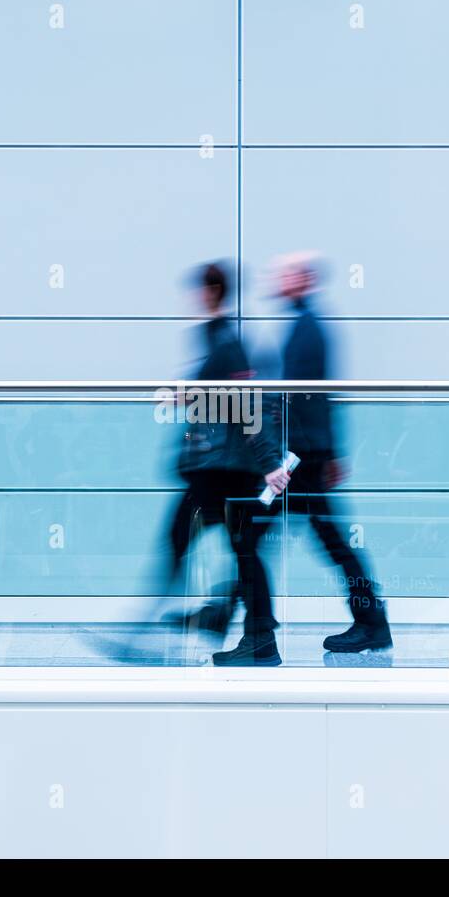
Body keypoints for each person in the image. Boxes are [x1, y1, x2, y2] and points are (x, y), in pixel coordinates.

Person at [162, 262, 291, 666]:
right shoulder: (216, 340)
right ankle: (252, 632)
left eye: (198, 290)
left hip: (227, 470)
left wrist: (270, 463)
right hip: (218, 468)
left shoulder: (226, 344)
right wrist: (188, 397)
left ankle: (250, 633)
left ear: (210, 291)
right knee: (238, 547)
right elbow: (217, 401)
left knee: (196, 539)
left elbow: (246, 402)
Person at [274, 252, 392, 653]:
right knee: (259, 532)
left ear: (304, 279)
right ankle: (370, 619)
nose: (278, 280)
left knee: (322, 538)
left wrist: (318, 454)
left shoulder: (308, 328)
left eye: (286, 273)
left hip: (305, 455)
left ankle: (371, 620)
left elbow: (311, 395)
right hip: (307, 452)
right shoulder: (305, 325)